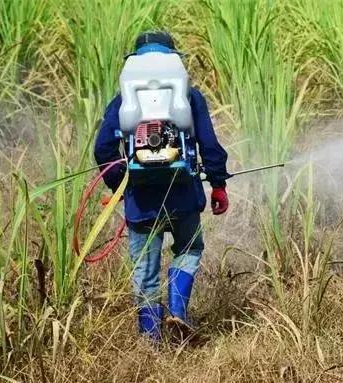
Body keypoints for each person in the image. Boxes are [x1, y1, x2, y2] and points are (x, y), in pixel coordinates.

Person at [94, 31, 229, 341]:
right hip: (184, 197)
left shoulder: (123, 101)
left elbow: (103, 150)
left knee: (145, 271)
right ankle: (179, 313)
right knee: (189, 249)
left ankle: (151, 342)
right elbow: (209, 145)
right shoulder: (190, 97)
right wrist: (218, 185)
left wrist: (120, 185)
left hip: (141, 204)